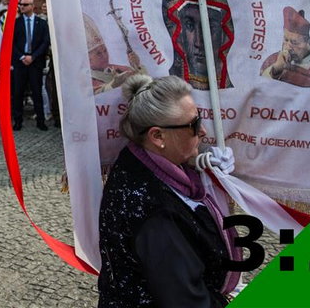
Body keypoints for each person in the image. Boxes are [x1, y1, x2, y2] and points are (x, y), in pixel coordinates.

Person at [98, 74, 239, 307]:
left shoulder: (138, 158)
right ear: (157, 136)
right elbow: (188, 300)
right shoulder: (155, 212)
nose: (203, 131)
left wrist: (204, 169)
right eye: (193, 125)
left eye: (200, 118)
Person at [261, 7, 310, 92]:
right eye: (286, 40)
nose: (288, 47)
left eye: (294, 42)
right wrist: (276, 70)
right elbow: (260, 89)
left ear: (309, 43)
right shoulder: (271, 60)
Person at [12, 0, 50, 130]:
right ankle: (17, 121)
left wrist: (33, 57)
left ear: (33, 6)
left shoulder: (41, 23)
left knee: (37, 92)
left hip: (35, 63)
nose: (21, 6)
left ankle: (41, 121)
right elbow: (12, 43)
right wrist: (22, 56)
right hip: (20, 62)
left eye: (25, 4)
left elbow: (45, 42)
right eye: (20, 4)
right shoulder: (16, 23)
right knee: (18, 93)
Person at [83, 14, 145, 94]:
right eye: (98, 53)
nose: (104, 55)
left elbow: (145, 85)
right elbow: (90, 96)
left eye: (105, 50)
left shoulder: (122, 69)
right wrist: (113, 85)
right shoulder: (84, 80)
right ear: (88, 60)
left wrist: (137, 66)